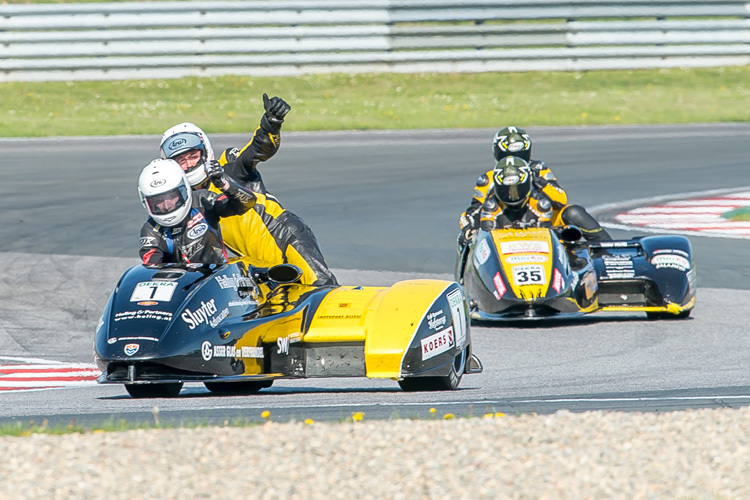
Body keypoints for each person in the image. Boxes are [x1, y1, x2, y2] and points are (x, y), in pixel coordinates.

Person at [158, 94, 338, 285]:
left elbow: (257, 150)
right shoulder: (178, 203)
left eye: (193, 156)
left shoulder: (228, 164)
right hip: (248, 265)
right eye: (181, 160)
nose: (188, 164)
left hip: (285, 240)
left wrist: (271, 124)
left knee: (320, 287)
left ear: (205, 152)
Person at [459, 125, 611, 244]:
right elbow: (473, 212)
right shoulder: (489, 178)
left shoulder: (539, 169)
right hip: (502, 224)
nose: (513, 162)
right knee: (466, 238)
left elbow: (561, 199)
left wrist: (537, 180)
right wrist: (469, 229)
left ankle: (608, 250)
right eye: (508, 156)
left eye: (520, 156)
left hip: (543, 221)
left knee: (574, 212)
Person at [138, 158, 256, 265]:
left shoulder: (203, 200)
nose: (167, 205)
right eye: (158, 200)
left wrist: (224, 184)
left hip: (218, 278)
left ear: (183, 190)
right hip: (184, 285)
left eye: (171, 197)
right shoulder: (151, 230)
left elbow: (248, 202)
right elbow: (151, 269)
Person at [475, 157, 553, 235]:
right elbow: (487, 236)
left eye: (518, 189)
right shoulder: (491, 207)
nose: (512, 196)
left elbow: (545, 236)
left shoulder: (540, 204)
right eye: (506, 190)